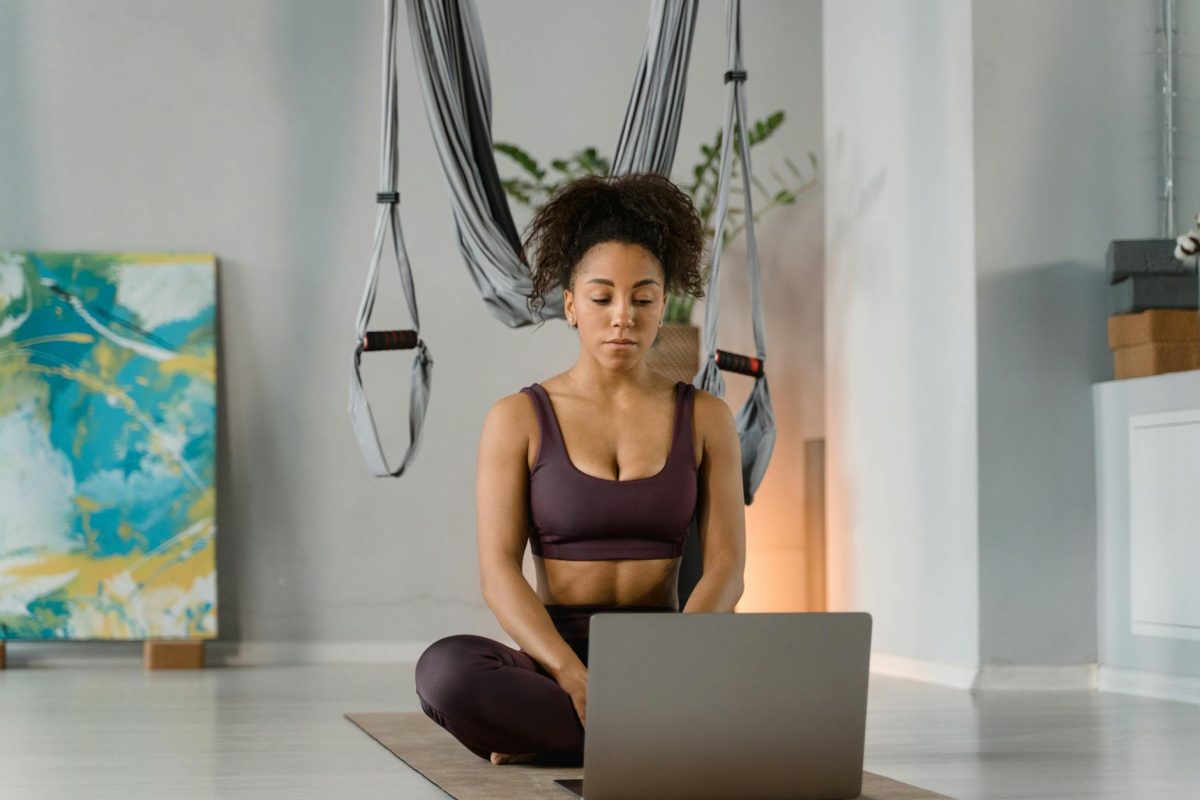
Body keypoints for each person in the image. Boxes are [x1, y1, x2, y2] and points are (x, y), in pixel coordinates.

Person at [413, 172, 747, 766]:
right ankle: (643, 738)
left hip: (667, 653)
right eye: (602, 298)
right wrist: (571, 675)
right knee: (446, 671)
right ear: (571, 305)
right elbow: (498, 573)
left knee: (771, 669)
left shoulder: (706, 416)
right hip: (551, 661)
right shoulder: (517, 417)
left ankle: (558, 738)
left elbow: (726, 566)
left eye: (644, 299)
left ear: (662, 302)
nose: (624, 316)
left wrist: (675, 663)